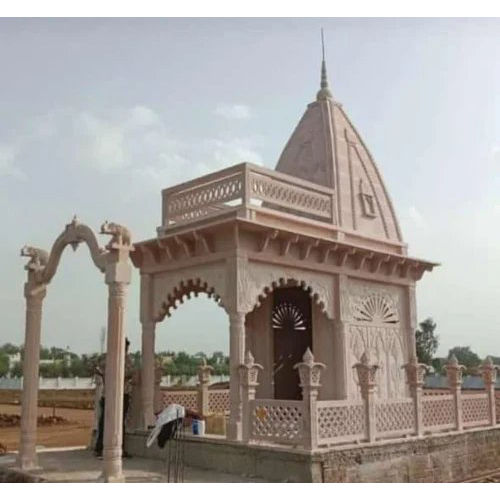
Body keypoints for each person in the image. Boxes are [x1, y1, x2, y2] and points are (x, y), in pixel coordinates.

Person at [94, 338, 134, 459]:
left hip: (121, 394)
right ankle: (102, 448)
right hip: (113, 394)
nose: (126, 350)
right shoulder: (114, 358)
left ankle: (118, 448)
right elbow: (127, 373)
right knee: (106, 422)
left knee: (118, 423)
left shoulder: (124, 358)